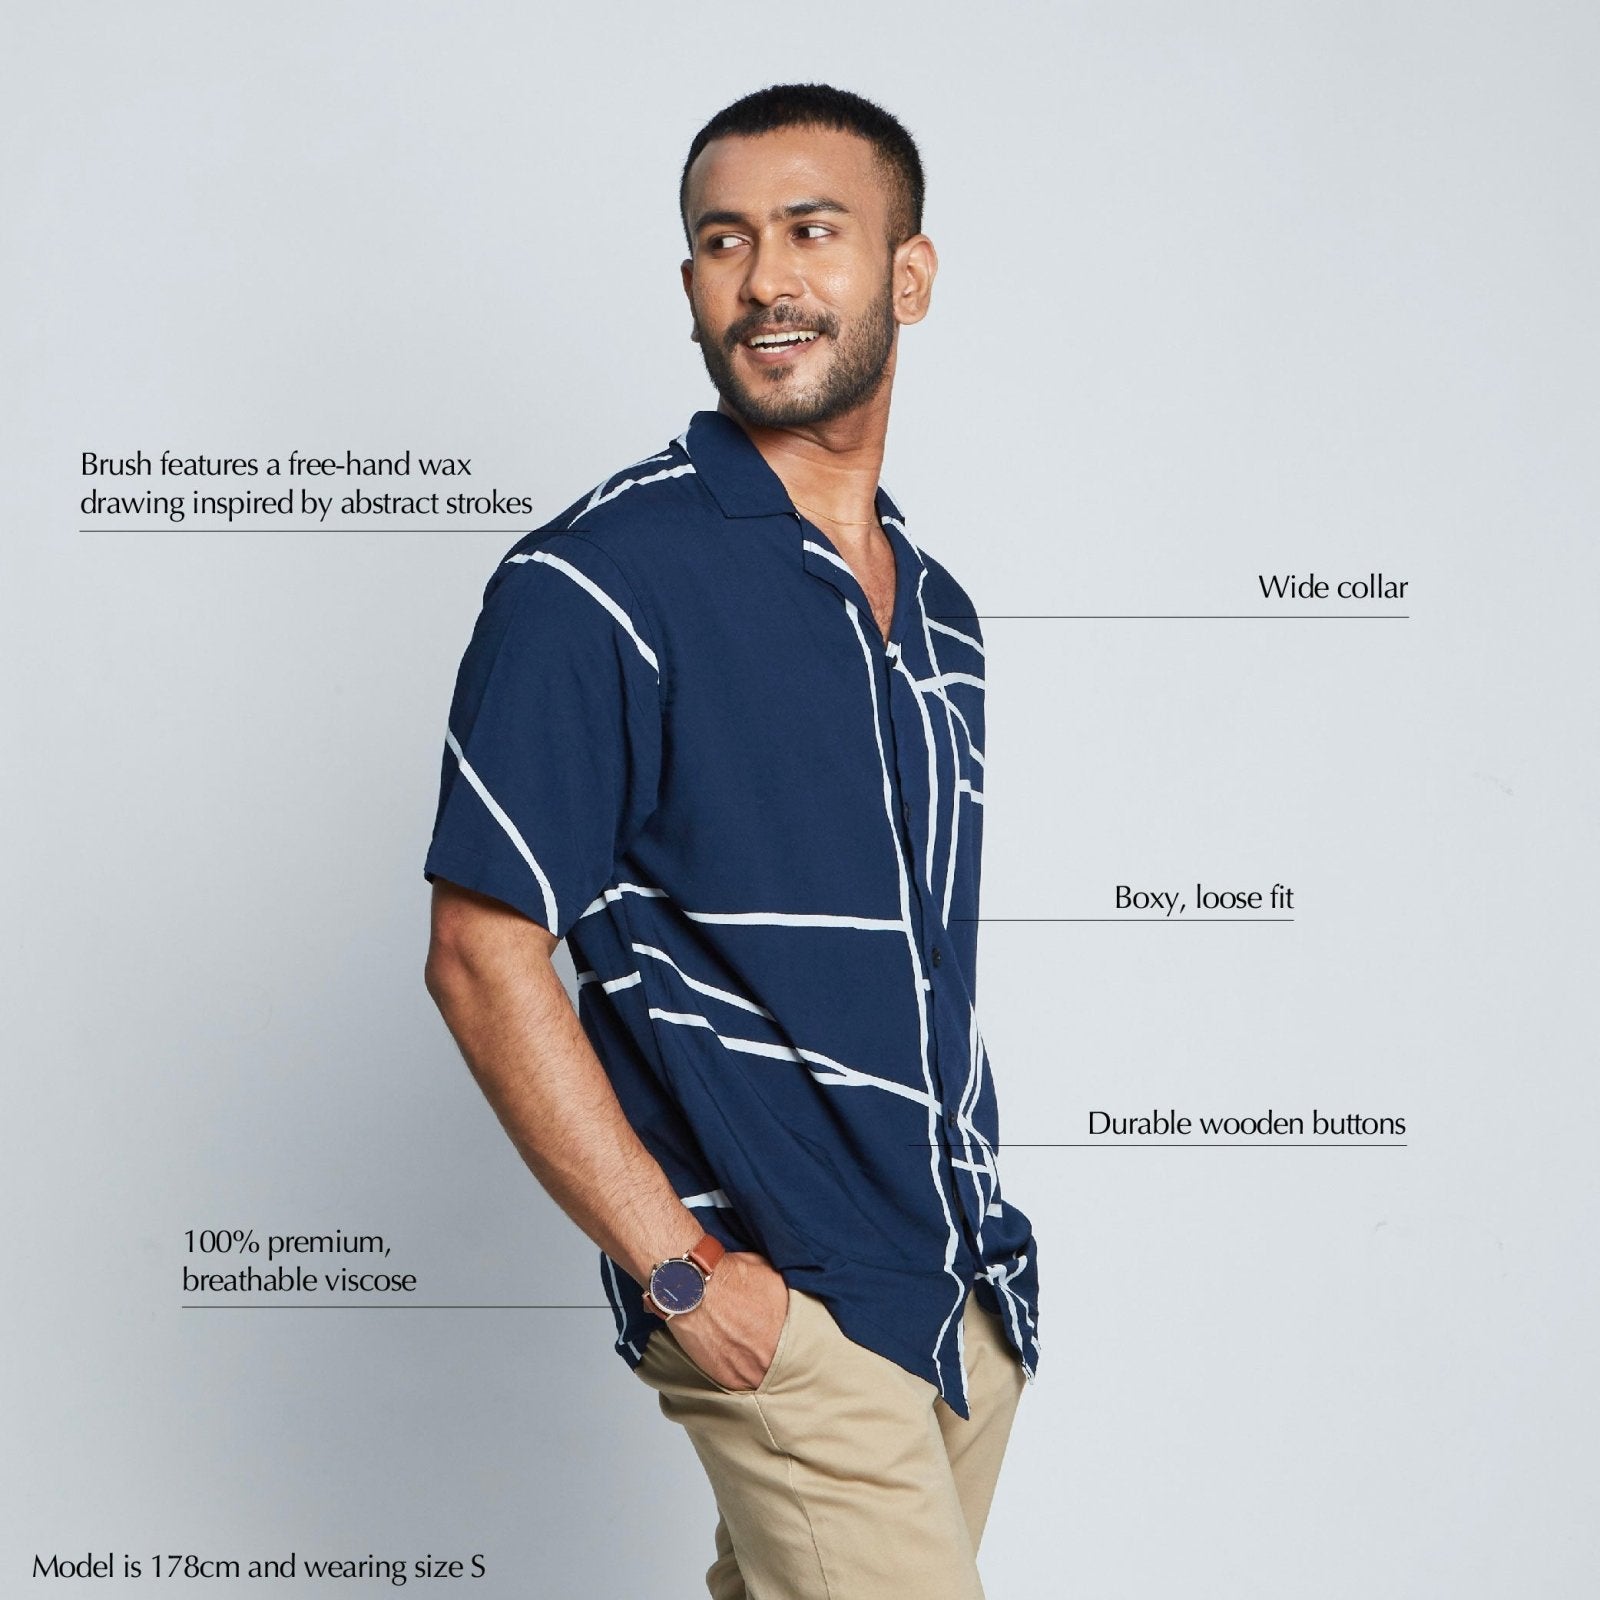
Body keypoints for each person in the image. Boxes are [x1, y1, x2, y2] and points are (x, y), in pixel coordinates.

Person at [422, 81, 1041, 1600]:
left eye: (811, 231)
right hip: (785, 1309)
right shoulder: (596, 584)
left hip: (961, 1296)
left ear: (909, 275)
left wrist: (985, 1259)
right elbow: (480, 955)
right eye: (723, 240)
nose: (765, 276)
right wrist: (685, 1276)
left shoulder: (940, 618)